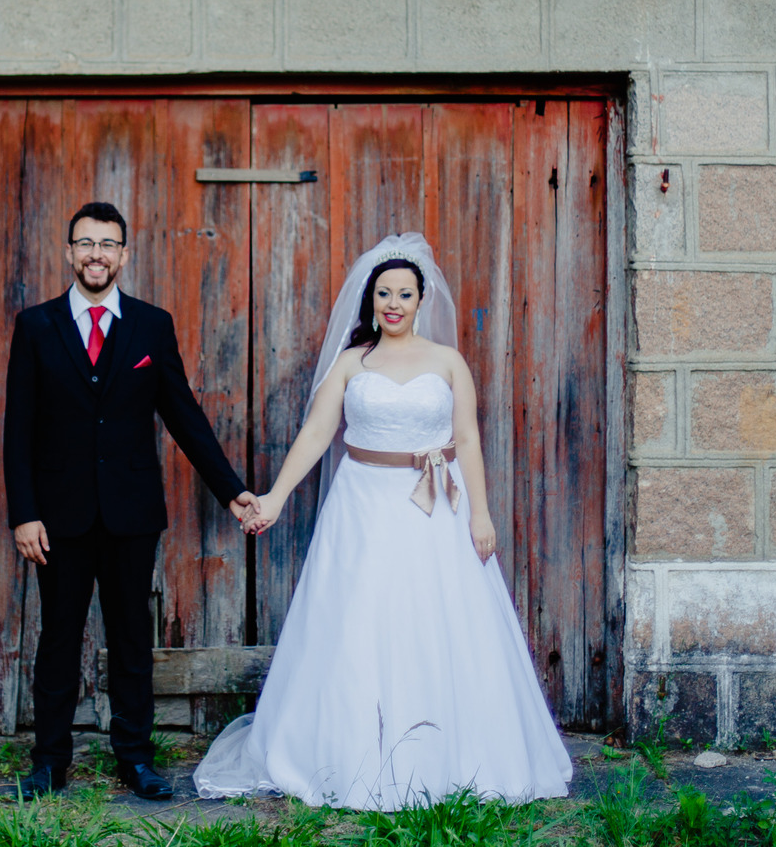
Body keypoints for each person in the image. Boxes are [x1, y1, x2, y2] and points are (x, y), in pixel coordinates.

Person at [193, 233, 573, 809]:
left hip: (435, 506)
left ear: (422, 301)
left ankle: (449, 757)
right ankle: (351, 755)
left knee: (435, 619)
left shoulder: (447, 362)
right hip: (362, 504)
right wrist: (272, 498)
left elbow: (466, 438)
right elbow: (318, 435)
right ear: (370, 300)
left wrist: (482, 514)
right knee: (359, 617)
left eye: (404, 293)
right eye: (383, 293)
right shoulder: (352, 363)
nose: (393, 303)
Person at [2, 201, 262, 800]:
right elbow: (19, 427)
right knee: (59, 639)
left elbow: (184, 416)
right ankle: (49, 761)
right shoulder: (36, 326)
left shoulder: (151, 325)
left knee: (131, 641)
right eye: (85, 243)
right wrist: (24, 512)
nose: (96, 254)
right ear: (69, 252)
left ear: (124, 253)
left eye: (108, 244)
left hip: (130, 514)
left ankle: (135, 758)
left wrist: (232, 491)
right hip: (58, 518)